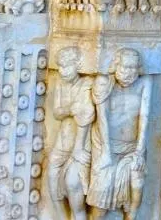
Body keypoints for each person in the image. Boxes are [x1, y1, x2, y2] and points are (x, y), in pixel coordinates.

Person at [87, 49, 151, 220]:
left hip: (132, 148)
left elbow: (144, 118)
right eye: (125, 67)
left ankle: (132, 215)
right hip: (107, 147)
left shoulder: (145, 83)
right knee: (100, 202)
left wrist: (139, 151)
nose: (129, 73)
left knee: (137, 183)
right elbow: (103, 119)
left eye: (133, 68)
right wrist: (106, 153)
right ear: (116, 65)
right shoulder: (104, 83)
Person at [48, 47, 95, 220]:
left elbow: (86, 115)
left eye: (67, 66)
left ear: (78, 64)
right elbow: (57, 112)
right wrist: (70, 109)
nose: (62, 71)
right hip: (62, 141)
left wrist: (78, 149)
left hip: (81, 145)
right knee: (52, 181)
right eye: (60, 66)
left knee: (73, 185)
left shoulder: (87, 83)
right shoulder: (61, 83)